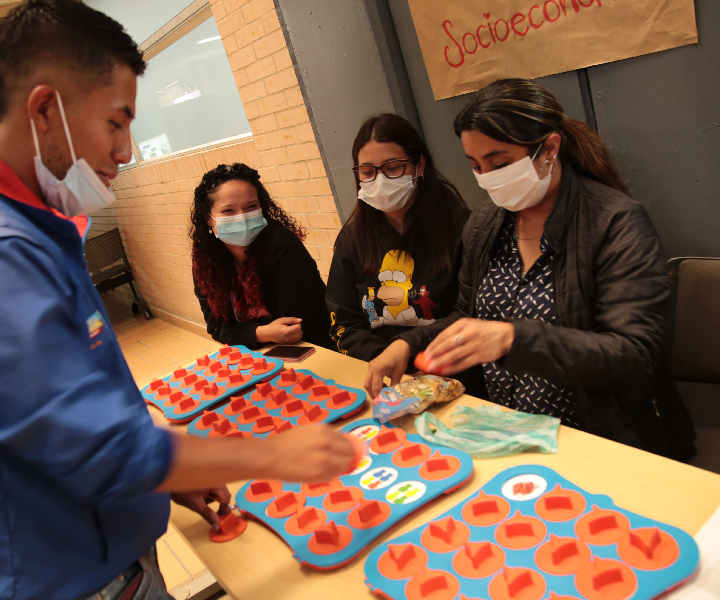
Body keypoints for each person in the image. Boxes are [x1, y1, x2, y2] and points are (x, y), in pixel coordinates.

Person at [0, 2, 354, 599]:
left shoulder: (45, 232)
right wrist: (269, 455)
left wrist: (157, 479)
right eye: (115, 123)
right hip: (71, 575)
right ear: (44, 112)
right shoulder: (10, 256)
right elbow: (94, 446)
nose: (126, 151)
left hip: (112, 544)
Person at [367, 79, 695, 461]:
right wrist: (406, 344)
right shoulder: (488, 223)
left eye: (500, 163)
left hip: (595, 438)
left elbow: (634, 357)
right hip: (509, 432)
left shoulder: (614, 223)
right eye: (476, 166)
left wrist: (513, 340)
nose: (488, 177)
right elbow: (468, 315)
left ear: (549, 148)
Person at [326, 113, 470, 367]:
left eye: (393, 168)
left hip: (451, 369)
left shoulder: (462, 229)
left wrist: (410, 354)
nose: (380, 180)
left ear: (420, 165)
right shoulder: (352, 238)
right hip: (382, 372)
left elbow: (470, 313)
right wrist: (383, 360)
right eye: (368, 172)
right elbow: (344, 321)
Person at [191, 162, 331, 349]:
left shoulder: (284, 248)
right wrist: (264, 333)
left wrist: (244, 334)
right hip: (257, 351)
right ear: (209, 218)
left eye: (250, 207)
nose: (241, 217)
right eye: (228, 211)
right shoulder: (206, 259)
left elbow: (291, 326)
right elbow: (217, 328)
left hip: (312, 345)